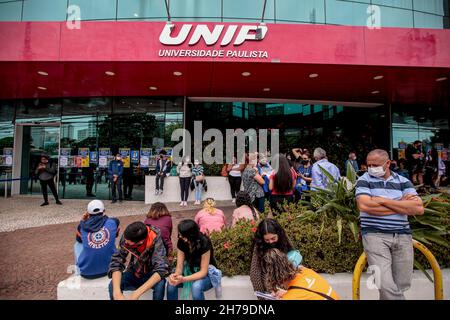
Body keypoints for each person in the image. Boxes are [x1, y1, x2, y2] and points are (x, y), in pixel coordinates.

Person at [355, 149, 424, 300]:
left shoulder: (403, 181)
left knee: (401, 284)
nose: (371, 168)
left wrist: (383, 201)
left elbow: (418, 208)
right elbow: (365, 206)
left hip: (403, 236)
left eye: (375, 165)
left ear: (388, 164)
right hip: (374, 236)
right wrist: (401, 206)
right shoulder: (364, 180)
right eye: (369, 165)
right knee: (384, 285)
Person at [108, 221, 168, 300]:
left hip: (151, 273)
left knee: (160, 285)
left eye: (129, 243)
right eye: (125, 240)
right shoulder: (128, 236)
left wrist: (137, 293)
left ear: (140, 242)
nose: (125, 243)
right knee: (113, 285)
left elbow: (161, 269)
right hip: (134, 272)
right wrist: (117, 293)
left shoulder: (155, 237)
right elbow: (117, 261)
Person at [167, 219, 221, 300]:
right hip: (188, 271)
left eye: (183, 235)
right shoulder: (182, 241)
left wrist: (184, 279)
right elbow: (179, 266)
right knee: (171, 285)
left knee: (196, 287)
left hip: (206, 275)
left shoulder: (204, 242)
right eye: (179, 234)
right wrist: (176, 276)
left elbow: (203, 272)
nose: (180, 237)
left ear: (191, 235)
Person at [250, 218, 303, 296]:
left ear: (279, 234)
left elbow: (294, 263)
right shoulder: (259, 246)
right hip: (270, 291)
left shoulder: (285, 241)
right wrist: (261, 296)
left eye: (273, 238)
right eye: (267, 240)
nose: (270, 242)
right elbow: (255, 274)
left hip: (287, 288)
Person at [262, 249, 340, 300]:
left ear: (276, 280)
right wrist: (287, 293)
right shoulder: (305, 271)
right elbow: (310, 292)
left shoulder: (291, 297)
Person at [74, 200, 119, 279]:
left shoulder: (82, 226)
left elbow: (79, 240)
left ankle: (81, 267)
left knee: (78, 243)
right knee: (112, 237)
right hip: (111, 268)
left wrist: (83, 221)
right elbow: (115, 235)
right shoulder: (114, 222)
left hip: (87, 272)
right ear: (104, 211)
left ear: (88, 213)